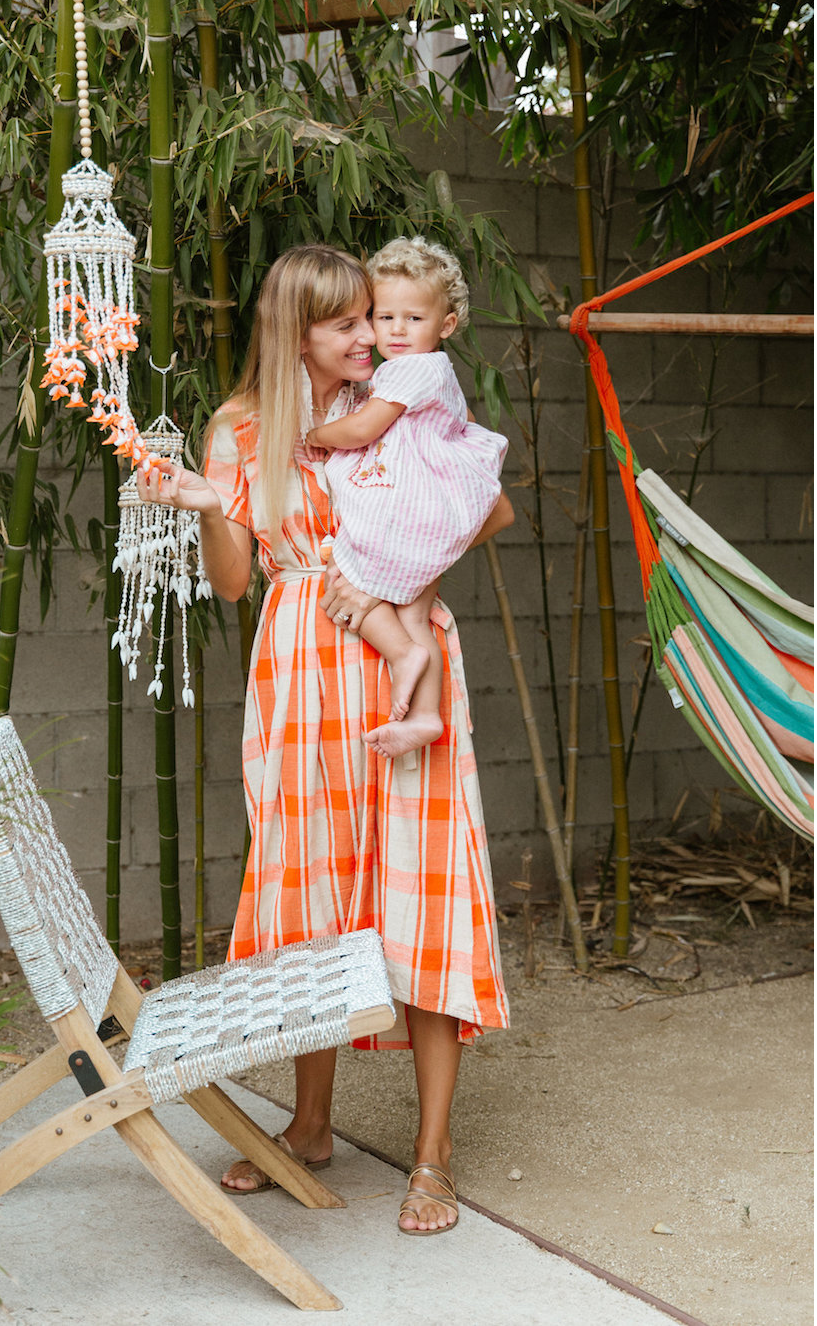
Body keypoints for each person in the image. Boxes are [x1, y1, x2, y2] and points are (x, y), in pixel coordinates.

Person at [138, 242, 513, 1237]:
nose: (368, 335)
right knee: (311, 892)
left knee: (420, 891)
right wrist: (215, 505)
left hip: (394, 646)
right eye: (347, 321)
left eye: (372, 318)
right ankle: (309, 1125)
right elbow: (229, 580)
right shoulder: (243, 428)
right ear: (296, 330)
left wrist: (405, 574)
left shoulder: (399, 408)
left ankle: (430, 1157)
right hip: (301, 662)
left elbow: (493, 503)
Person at [304, 237, 509, 762]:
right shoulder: (415, 371)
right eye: (384, 315)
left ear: (447, 324)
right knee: (416, 616)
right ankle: (424, 715)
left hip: (412, 510)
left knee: (347, 575)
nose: (395, 330)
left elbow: (366, 428)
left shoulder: (416, 369)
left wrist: (317, 435)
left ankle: (401, 656)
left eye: (413, 318)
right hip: (430, 510)